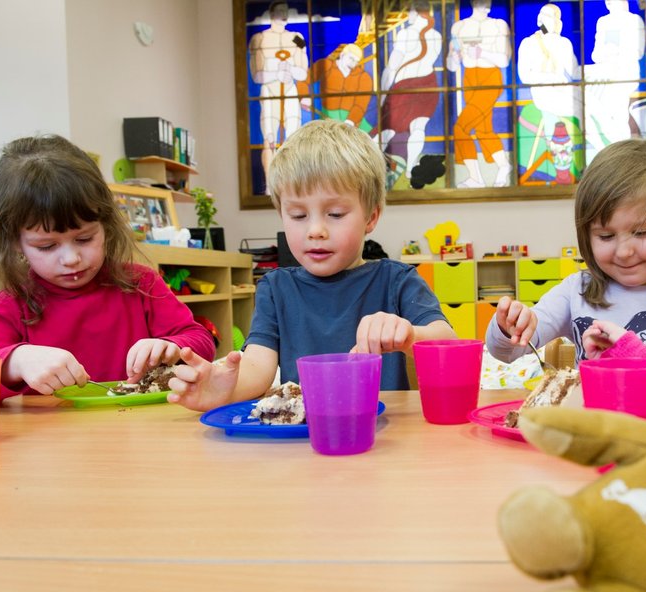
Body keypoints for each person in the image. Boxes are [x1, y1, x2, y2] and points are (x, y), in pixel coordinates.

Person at [168, 120, 456, 410]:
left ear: (370, 217)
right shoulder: (276, 288)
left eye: (335, 213)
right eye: (297, 215)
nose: (315, 230)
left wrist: (410, 335)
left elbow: (449, 344)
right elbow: (257, 366)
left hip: (384, 438)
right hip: (304, 440)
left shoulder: (397, 280)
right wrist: (222, 388)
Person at [0, 135, 216, 400]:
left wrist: (172, 346)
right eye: (47, 246)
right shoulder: (12, 303)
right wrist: (16, 361)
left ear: (106, 226)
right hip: (51, 437)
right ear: (16, 243)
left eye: (84, 239)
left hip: (139, 432)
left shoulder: (141, 284)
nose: (71, 259)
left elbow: (202, 340)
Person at [485, 138, 646, 384]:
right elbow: (506, 353)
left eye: (641, 232)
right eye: (606, 236)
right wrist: (511, 327)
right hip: (594, 429)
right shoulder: (576, 292)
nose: (623, 251)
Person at [447, 0, 512, 188]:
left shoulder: (498, 25)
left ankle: (476, 178)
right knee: (483, 129)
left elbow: (504, 60)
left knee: (461, 127)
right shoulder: (459, 27)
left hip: (490, 77)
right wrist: (454, 58)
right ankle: (503, 165)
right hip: (469, 80)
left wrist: (482, 53)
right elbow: (451, 65)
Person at [377, 0, 442, 182]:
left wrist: (383, 94)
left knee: (388, 127)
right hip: (429, 86)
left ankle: (370, 168)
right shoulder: (436, 35)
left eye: (410, 11)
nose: (408, 15)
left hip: (406, 88)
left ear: (415, 12)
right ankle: (411, 167)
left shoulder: (406, 34)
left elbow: (392, 67)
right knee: (418, 126)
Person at [248, 1, 309, 189]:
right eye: (279, 12)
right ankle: (270, 187)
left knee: (293, 140)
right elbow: (256, 75)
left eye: (285, 12)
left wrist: (290, 70)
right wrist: (275, 74)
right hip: (270, 91)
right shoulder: (259, 38)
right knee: (269, 138)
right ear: (271, 13)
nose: (282, 15)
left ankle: (292, 186)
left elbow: (303, 71)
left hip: (290, 89)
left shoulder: (297, 38)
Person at [584, 0, 646, 159]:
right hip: (606, 72)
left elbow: (638, 52)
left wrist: (618, 52)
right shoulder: (603, 22)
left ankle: (619, 153)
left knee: (616, 109)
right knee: (590, 98)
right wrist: (606, 53)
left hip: (624, 72)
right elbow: (595, 55)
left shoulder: (633, 20)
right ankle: (608, 148)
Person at [517, 3, 581, 149]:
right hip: (544, 95)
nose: (551, 21)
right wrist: (551, 78)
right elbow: (525, 76)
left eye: (555, 17)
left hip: (565, 93)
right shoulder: (528, 43)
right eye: (547, 16)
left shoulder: (564, 43)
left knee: (590, 106)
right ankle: (562, 149)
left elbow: (573, 71)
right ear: (539, 19)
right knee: (584, 108)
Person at [308, 43, 374, 132]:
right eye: (351, 58)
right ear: (342, 54)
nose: (352, 64)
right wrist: (303, 97)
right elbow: (305, 79)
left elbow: (361, 104)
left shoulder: (364, 77)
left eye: (356, 61)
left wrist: (351, 121)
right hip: (326, 115)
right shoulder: (326, 65)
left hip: (354, 119)